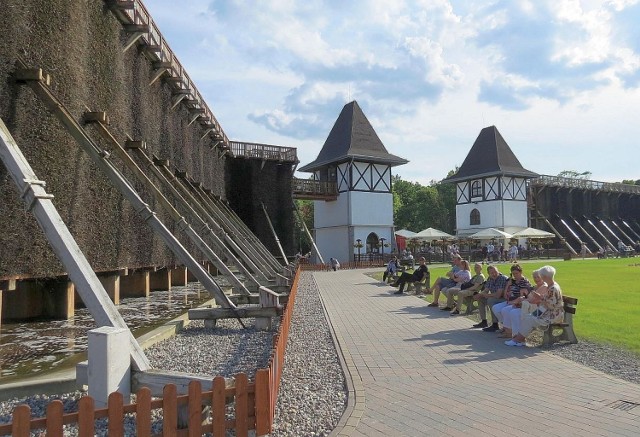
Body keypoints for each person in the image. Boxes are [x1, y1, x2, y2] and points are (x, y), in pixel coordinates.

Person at [506, 265, 564, 346]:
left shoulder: (553, 288)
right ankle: (520, 339)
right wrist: (541, 298)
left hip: (553, 315)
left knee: (530, 319)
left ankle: (518, 340)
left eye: (541, 276)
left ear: (545, 276)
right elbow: (548, 300)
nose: (540, 277)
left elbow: (551, 305)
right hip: (546, 311)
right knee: (528, 317)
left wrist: (540, 299)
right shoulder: (551, 286)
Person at [490, 264, 533, 338]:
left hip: (517, 302)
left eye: (516, 273)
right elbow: (505, 295)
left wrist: (512, 302)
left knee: (504, 310)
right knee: (495, 308)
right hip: (509, 301)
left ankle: (509, 331)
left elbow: (523, 296)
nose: (515, 275)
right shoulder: (512, 281)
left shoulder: (524, 282)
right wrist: (508, 285)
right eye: (513, 274)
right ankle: (506, 327)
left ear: (521, 272)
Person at [472, 265, 508, 330]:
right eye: (492, 273)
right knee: (480, 298)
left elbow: (498, 295)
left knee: (491, 300)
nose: (494, 274)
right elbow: (486, 290)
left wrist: (487, 295)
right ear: (489, 274)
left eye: (495, 272)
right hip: (495, 297)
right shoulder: (490, 278)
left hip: (504, 299)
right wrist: (479, 295)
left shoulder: (502, 278)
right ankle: (484, 321)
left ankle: (495, 324)